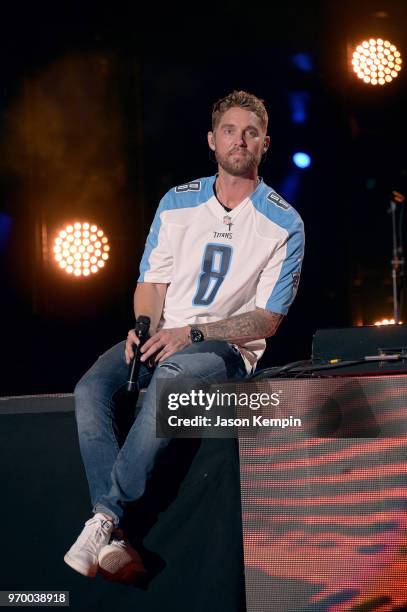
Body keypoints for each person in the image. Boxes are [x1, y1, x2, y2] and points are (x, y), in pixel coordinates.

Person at [64, 90, 305, 581]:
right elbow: (152, 283)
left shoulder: (285, 223)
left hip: (225, 349)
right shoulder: (177, 202)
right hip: (166, 334)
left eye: (252, 132)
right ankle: (115, 539)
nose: (241, 140)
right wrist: (144, 329)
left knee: (173, 373)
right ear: (212, 140)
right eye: (231, 131)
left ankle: (106, 516)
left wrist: (193, 333)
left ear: (265, 144)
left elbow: (266, 320)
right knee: (91, 386)